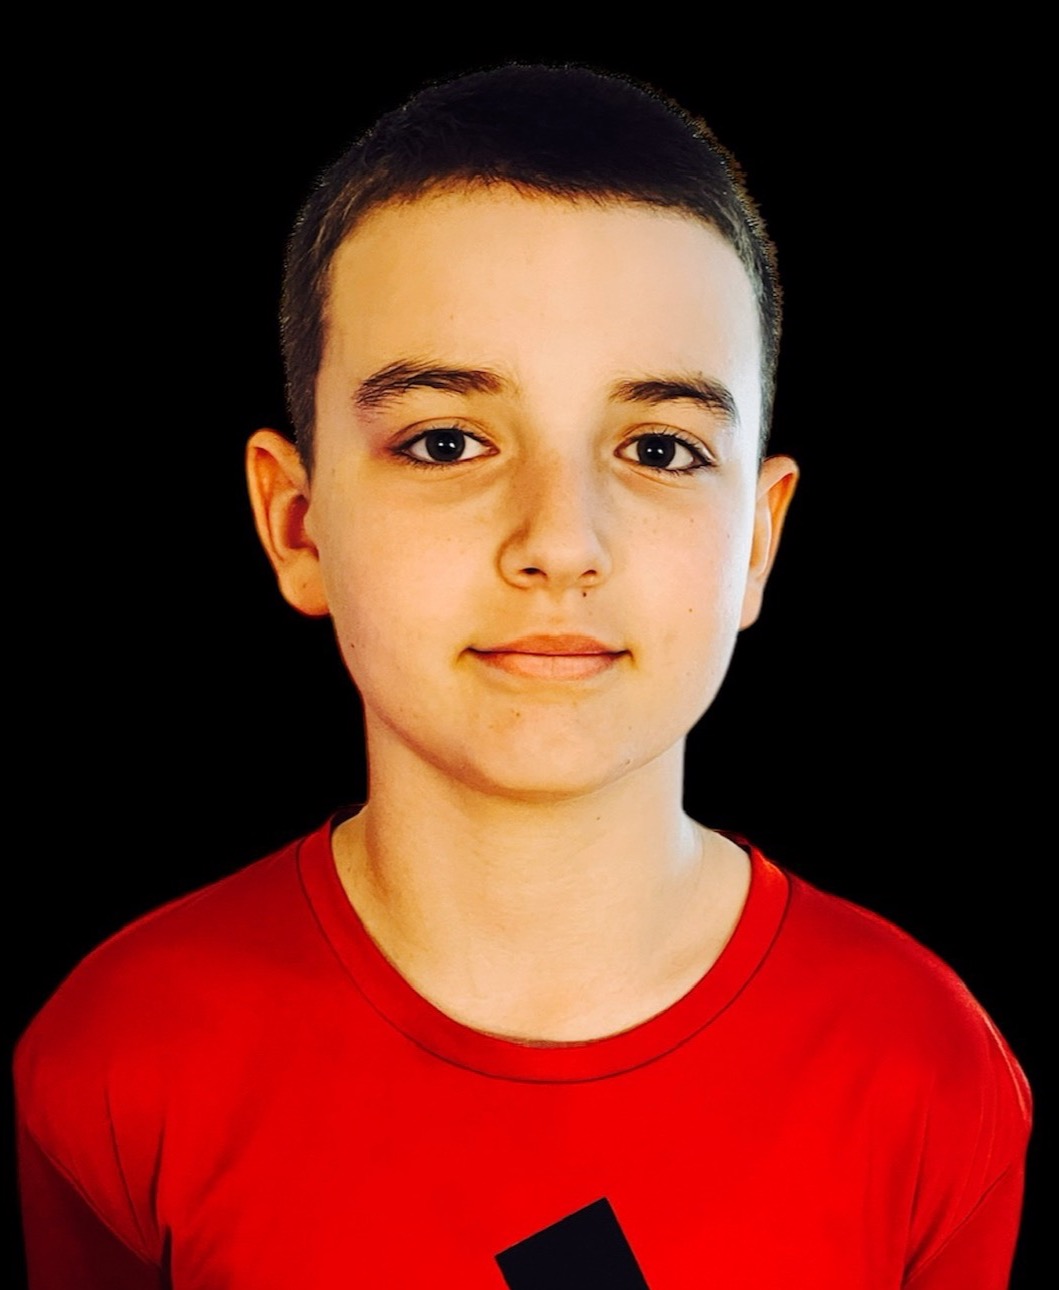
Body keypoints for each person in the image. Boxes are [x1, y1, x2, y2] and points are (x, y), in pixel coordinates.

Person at [15, 65, 1030, 1288]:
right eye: (447, 441)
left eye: (660, 449)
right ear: (296, 523)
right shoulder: (122, 1055)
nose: (559, 541)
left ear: (757, 543)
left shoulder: (924, 1070)